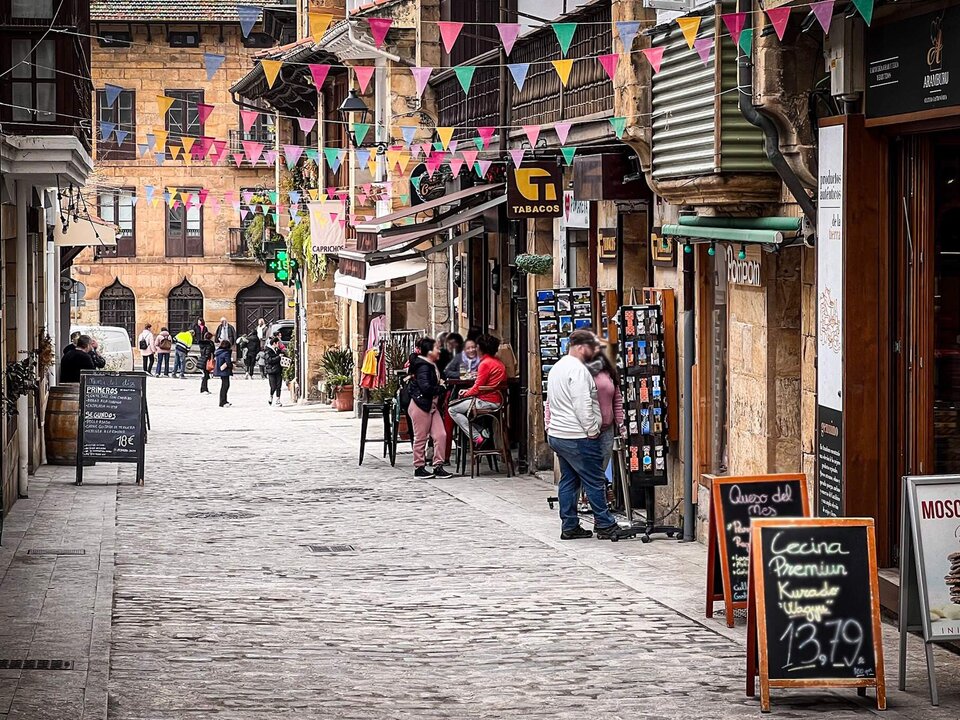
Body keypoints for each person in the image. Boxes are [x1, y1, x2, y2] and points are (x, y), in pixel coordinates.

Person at [546, 329, 624, 541]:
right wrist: (592, 431)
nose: (595, 352)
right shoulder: (578, 370)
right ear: (581, 347)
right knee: (595, 479)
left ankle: (570, 525)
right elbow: (583, 404)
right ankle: (605, 523)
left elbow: (551, 401)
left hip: (559, 433)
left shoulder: (558, 367)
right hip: (577, 434)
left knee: (569, 480)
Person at [447, 334, 507, 449]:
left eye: (477, 346)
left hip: (487, 401)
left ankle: (477, 437)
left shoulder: (485, 364)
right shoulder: (497, 362)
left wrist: (465, 393)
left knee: (452, 409)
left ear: (482, 348)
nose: (475, 349)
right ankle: (482, 431)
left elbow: (477, 387)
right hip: (496, 399)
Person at [407, 337, 452, 479]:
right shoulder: (424, 366)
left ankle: (438, 465)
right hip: (421, 405)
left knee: (440, 435)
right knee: (421, 437)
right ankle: (419, 467)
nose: (438, 351)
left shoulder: (431, 364)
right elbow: (426, 388)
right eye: (436, 348)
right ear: (429, 352)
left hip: (431, 405)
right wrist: (441, 388)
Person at [588, 346, 625, 472]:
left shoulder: (609, 372)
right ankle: (589, 491)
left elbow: (617, 400)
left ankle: (595, 490)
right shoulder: (582, 373)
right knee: (589, 470)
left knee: (601, 467)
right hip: (586, 428)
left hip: (607, 428)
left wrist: (621, 424)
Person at [264, 339, 284, 406]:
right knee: (273, 386)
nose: (279, 344)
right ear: (274, 343)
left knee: (279, 386)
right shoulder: (267, 351)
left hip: (278, 370)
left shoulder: (278, 350)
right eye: (278, 343)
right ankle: (271, 396)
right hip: (271, 371)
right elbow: (269, 360)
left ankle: (278, 400)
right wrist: (278, 357)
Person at [213, 340, 234, 407]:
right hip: (225, 371)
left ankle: (224, 401)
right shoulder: (226, 352)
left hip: (220, 370)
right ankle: (223, 402)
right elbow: (228, 362)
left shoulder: (218, 352)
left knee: (224, 386)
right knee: (225, 386)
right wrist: (232, 366)